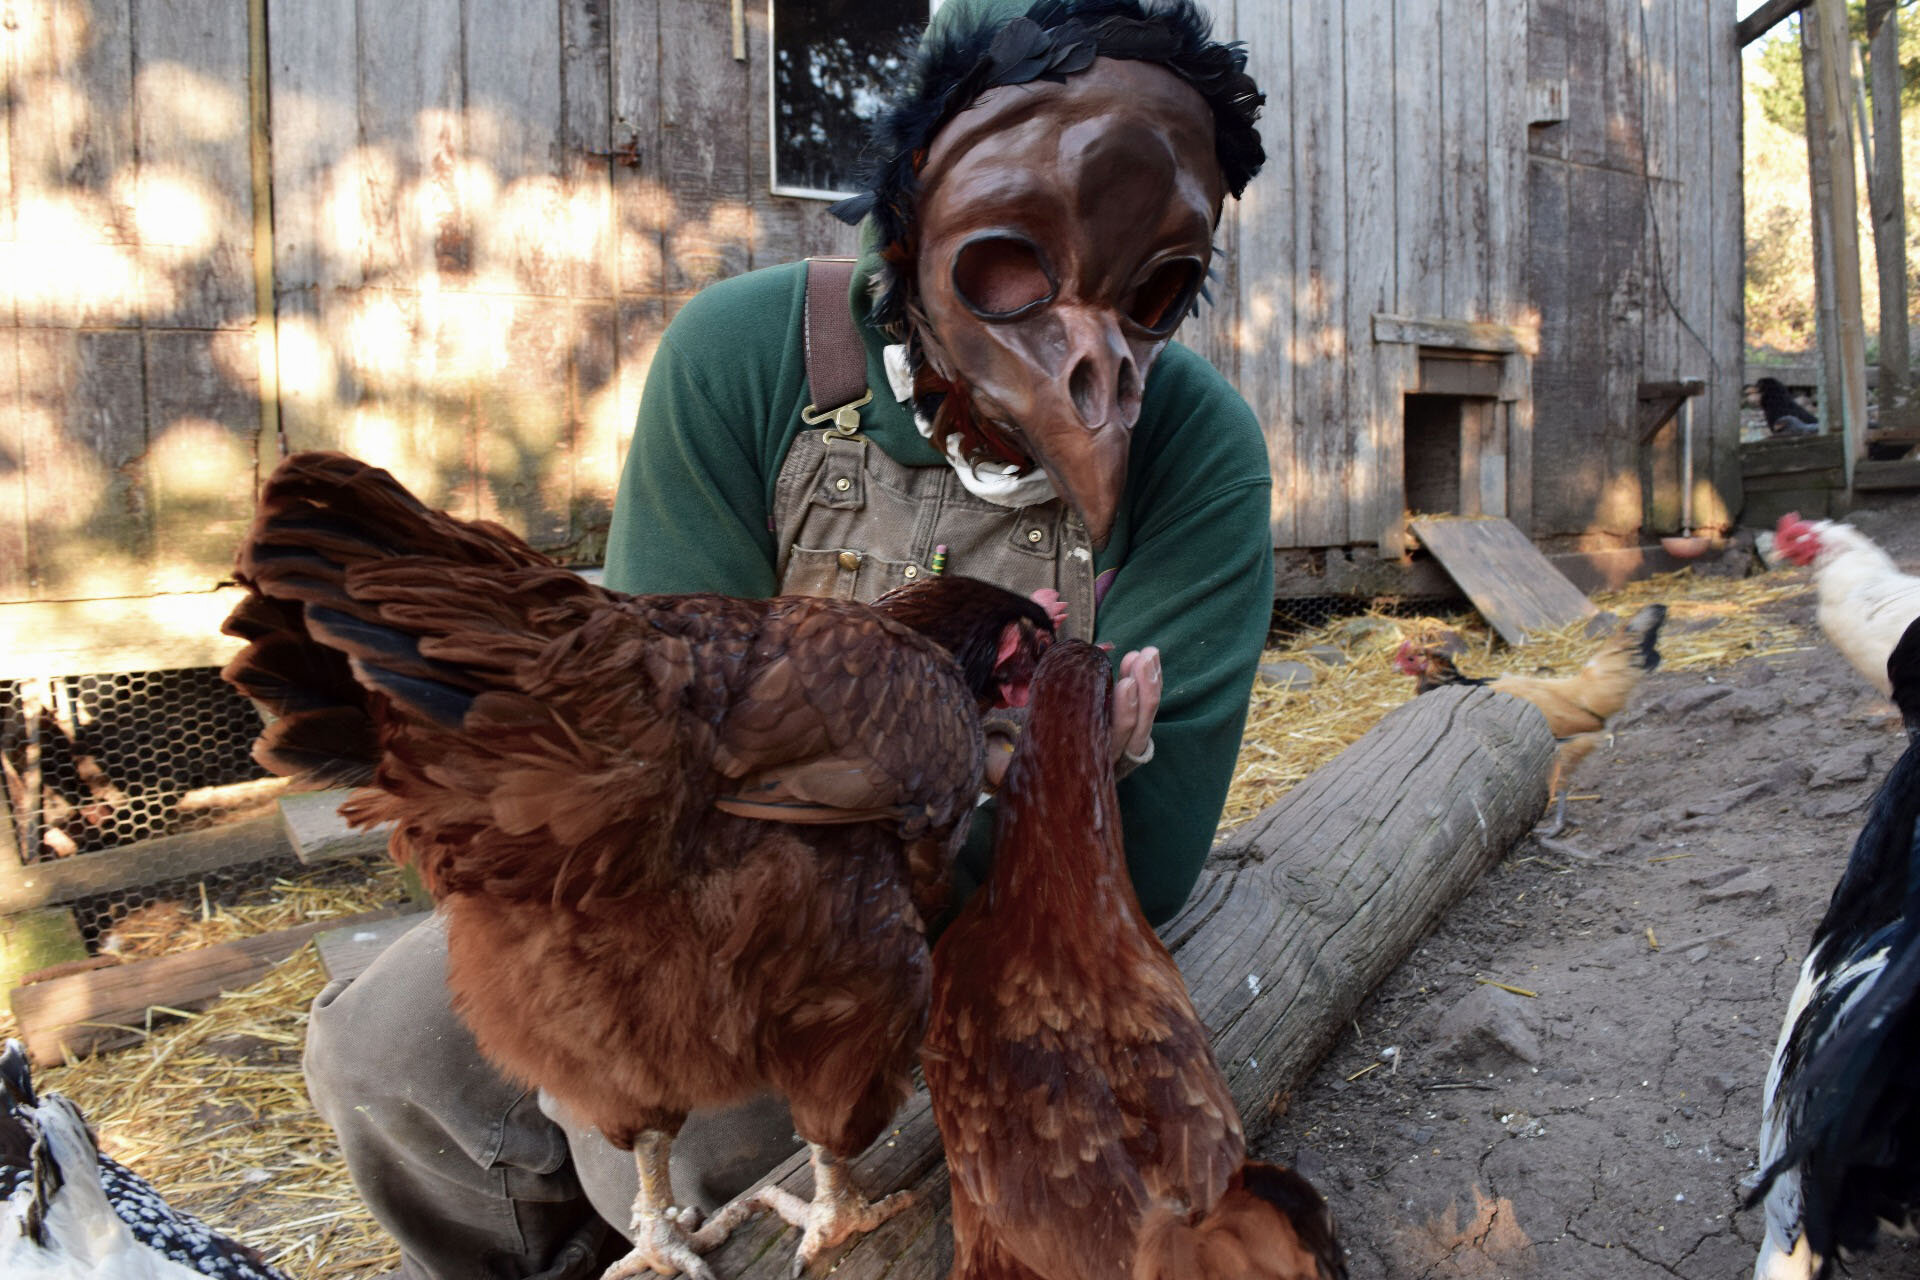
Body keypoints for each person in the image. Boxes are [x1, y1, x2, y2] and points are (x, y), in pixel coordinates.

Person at [302, 1, 1274, 1276]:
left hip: (946, 943)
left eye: (1154, 287)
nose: (1097, 355)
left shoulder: (1198, 449)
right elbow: (632, 754)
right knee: (381, 1057)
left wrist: (1061, 791)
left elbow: (1138, 867)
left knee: (729, 1142)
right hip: (672, 880)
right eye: (1013, 264)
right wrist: (991, 763)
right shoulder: (750, 358)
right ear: (913, 220)